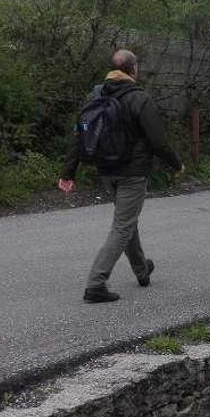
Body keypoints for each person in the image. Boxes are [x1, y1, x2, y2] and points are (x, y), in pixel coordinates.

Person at [60, 49, 184, 304]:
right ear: (133, 69)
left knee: (127, 222)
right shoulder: (140, 99)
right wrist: (177, 165)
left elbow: (80, 134)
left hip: (105, 172)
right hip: (132, 173)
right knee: (122, 226)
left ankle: (141, 270)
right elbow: (158, 141)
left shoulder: (94, 96)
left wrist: (68, 172)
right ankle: (95, 284)